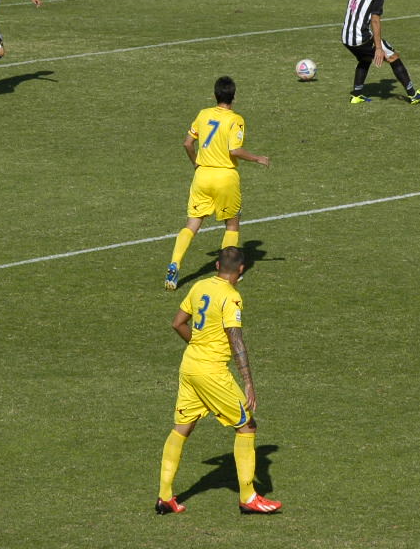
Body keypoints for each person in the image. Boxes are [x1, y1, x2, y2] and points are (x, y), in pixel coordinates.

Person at [155, 246, 282, 517]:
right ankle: (248, 497)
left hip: (189, 366)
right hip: (211, 372)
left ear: (216, 266)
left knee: (181, 428)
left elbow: (177, 323)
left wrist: (199, 346)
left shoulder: (199, 287)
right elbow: (235, 339)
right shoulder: (231, 297)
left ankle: (165, 497)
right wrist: (248, 381)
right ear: (241, 269)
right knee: (247, 425)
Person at [166, 76, 270, 290]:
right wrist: (257, 158)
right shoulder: (235, 119)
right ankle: (228, 272)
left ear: (215, 95)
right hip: (225, 178)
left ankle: (174, 264)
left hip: (202, 176)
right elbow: (234, 150)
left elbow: (187, 143)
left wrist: (196, 164)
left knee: (192, 224)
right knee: (231, 225)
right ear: (234, 97)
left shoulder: (203, 114)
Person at [341, 0, 420, 105]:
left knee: (364, 58)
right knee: (394, 57)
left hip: (345, 37)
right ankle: (413, 95)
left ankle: (356, 94)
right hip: (360, 37)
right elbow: (375, 20)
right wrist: (379, 48)